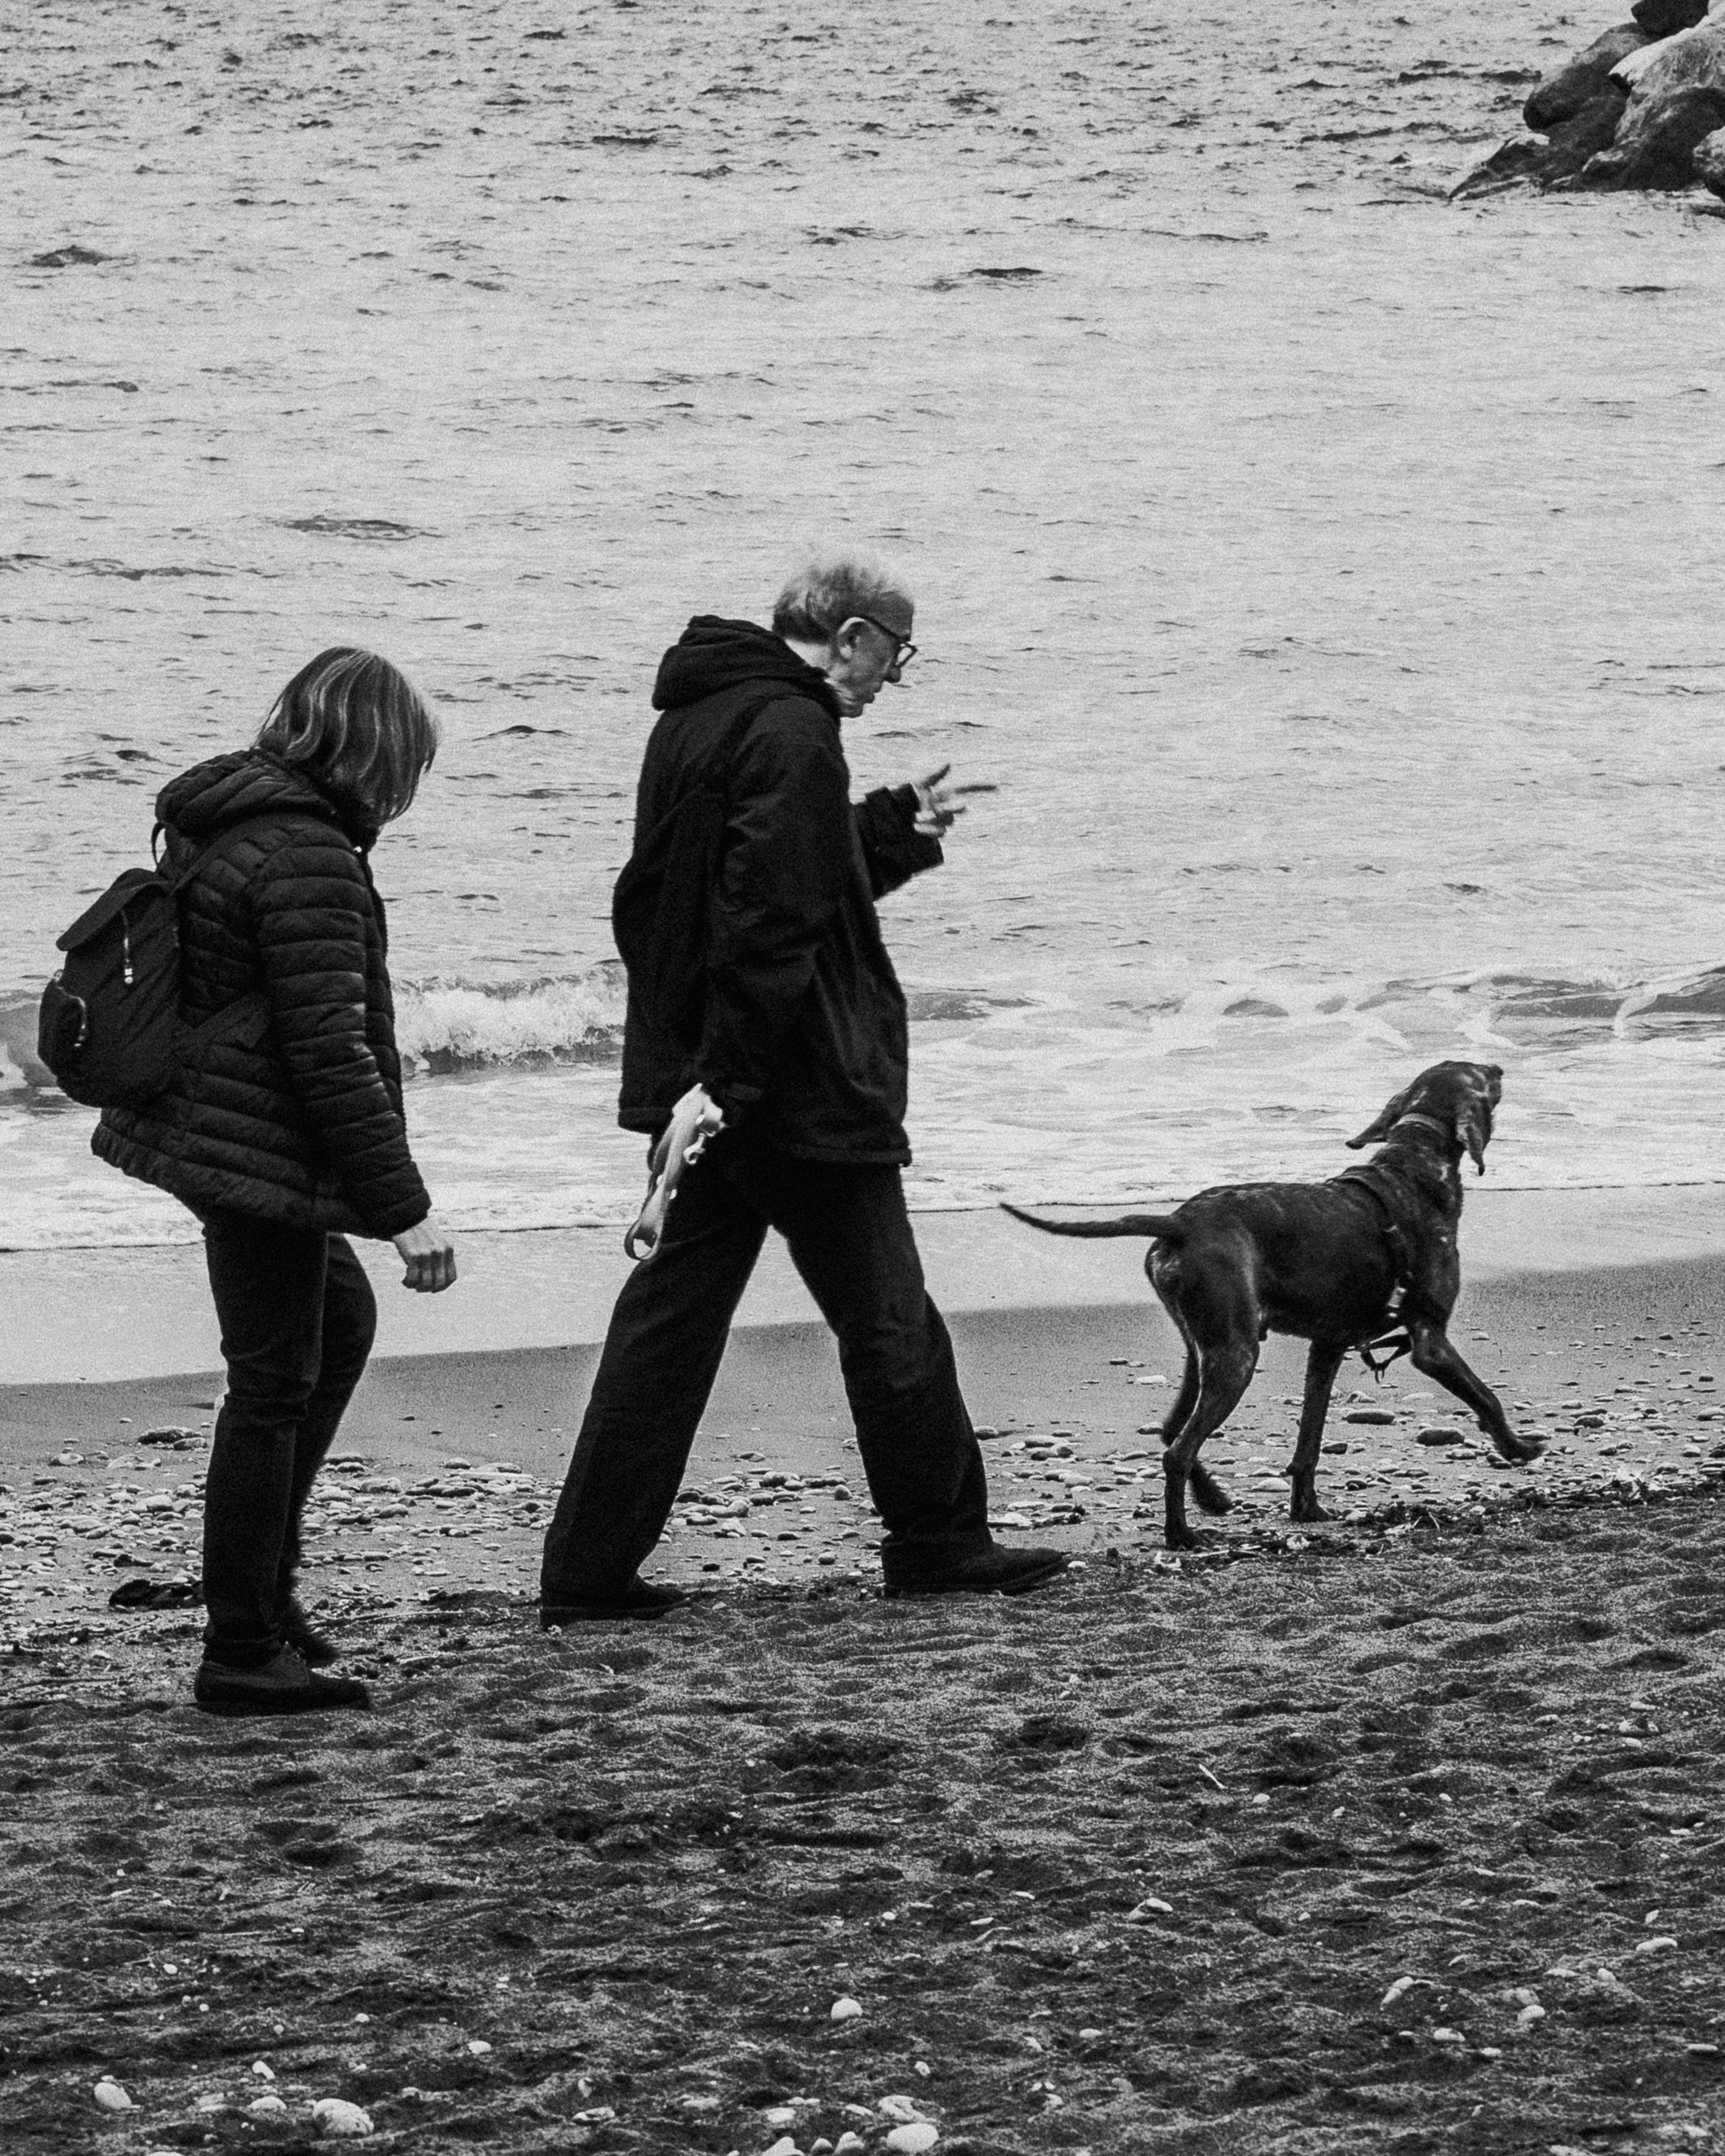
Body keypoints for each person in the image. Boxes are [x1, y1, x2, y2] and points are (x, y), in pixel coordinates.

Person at [539, 552, 1070, 1619]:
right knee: (887, 1319)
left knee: (669, 1327)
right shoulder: (792, 731)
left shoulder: (700, 714)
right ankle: (936, 1542)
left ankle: (586, 1571)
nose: (892, 680)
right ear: (853, 634)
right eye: (895, 652)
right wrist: (731, 1083)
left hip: (719, 1076)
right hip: (791, 1086)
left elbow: (735, 890)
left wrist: (879, 835)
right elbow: (768, 921)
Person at [93, 648, 458, 1714]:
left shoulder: (230, 823)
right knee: (272, 1381)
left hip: (217, 1129)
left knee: (333, 1328)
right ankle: (242, 1649)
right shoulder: (306, 856)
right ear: (375, 751)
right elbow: (327, 1052)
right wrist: (405, 1211)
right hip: (251, 1147)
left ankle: (261, 1600)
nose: (407, 791)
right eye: (410, 768)